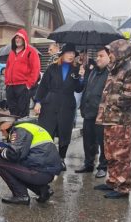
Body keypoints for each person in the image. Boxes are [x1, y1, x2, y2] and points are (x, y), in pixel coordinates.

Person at [94, 39, 131, 199]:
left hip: (120, 121)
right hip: (109, 119)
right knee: (110, 154)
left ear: (121, 52)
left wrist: (111, 102)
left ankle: (123, 187)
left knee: (121, 155)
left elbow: (130, 96)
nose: (110, 55)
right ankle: (112, 182)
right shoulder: (114, 69)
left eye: (112, 52)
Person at [0, 111, 62, 205]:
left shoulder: (19, 130)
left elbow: (14, 155)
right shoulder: (28, 127)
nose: (2, 134)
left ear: (6, 124)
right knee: (13, 167)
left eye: (1, 129)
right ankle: (43, 190)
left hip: (40, 172)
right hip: (46, 172)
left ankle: (21, 195)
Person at [33, 43, 84, 171]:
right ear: (62, 54)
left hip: (67, 104)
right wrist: (38, 101)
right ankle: (48, 158)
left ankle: (61, 159)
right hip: (50, 103)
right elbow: (43, 86)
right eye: (69, 53)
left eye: (73, 54)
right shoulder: (52, 68)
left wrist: (82, 77)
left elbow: (78, 89)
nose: (71, 55)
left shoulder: (77, 69)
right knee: (47, 131)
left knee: (64, 133)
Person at [75, 46, 110, 178]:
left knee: (102, 141)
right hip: (88, 111)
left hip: (101, 114)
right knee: (88, 140)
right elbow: (85, 89)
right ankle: (88, 164)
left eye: (101, 56)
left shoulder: (110, 73)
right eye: (97, 56)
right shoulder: (93, 71)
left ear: (108, 57)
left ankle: (103, 166)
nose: (98, 58)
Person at [4, 29, 41, 118]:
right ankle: (15, 131)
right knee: (12, 111)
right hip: (10, 86)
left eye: (20, 38)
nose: (18, 39)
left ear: (24, 39)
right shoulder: (12, 52)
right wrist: (6, 81)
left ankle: (22, 131)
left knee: (22, 112)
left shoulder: (31, 51)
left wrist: (28, 85)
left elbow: (35, 69)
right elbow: (7, 67)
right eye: (16, 38)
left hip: (22, 86)